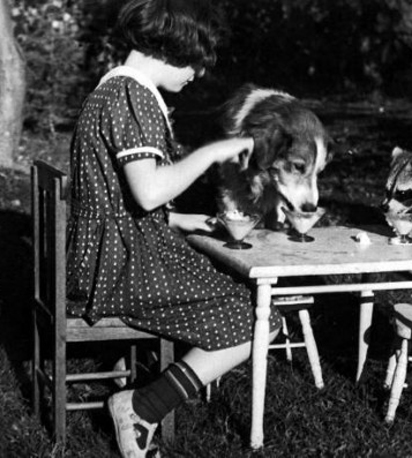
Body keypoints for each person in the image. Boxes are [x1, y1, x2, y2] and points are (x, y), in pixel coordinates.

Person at [66, 0, 282, 456]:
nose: (199, 74)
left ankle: (142, 405)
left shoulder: (110, 89)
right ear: (173, 46)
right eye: (197, 60)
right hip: (119, 268)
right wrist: (211, 153)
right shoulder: (134, 97)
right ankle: (141, 408)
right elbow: (146, 193)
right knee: (259, 316)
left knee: (237, 293)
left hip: (104, 253)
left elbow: (116, 196)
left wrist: (179, 219)